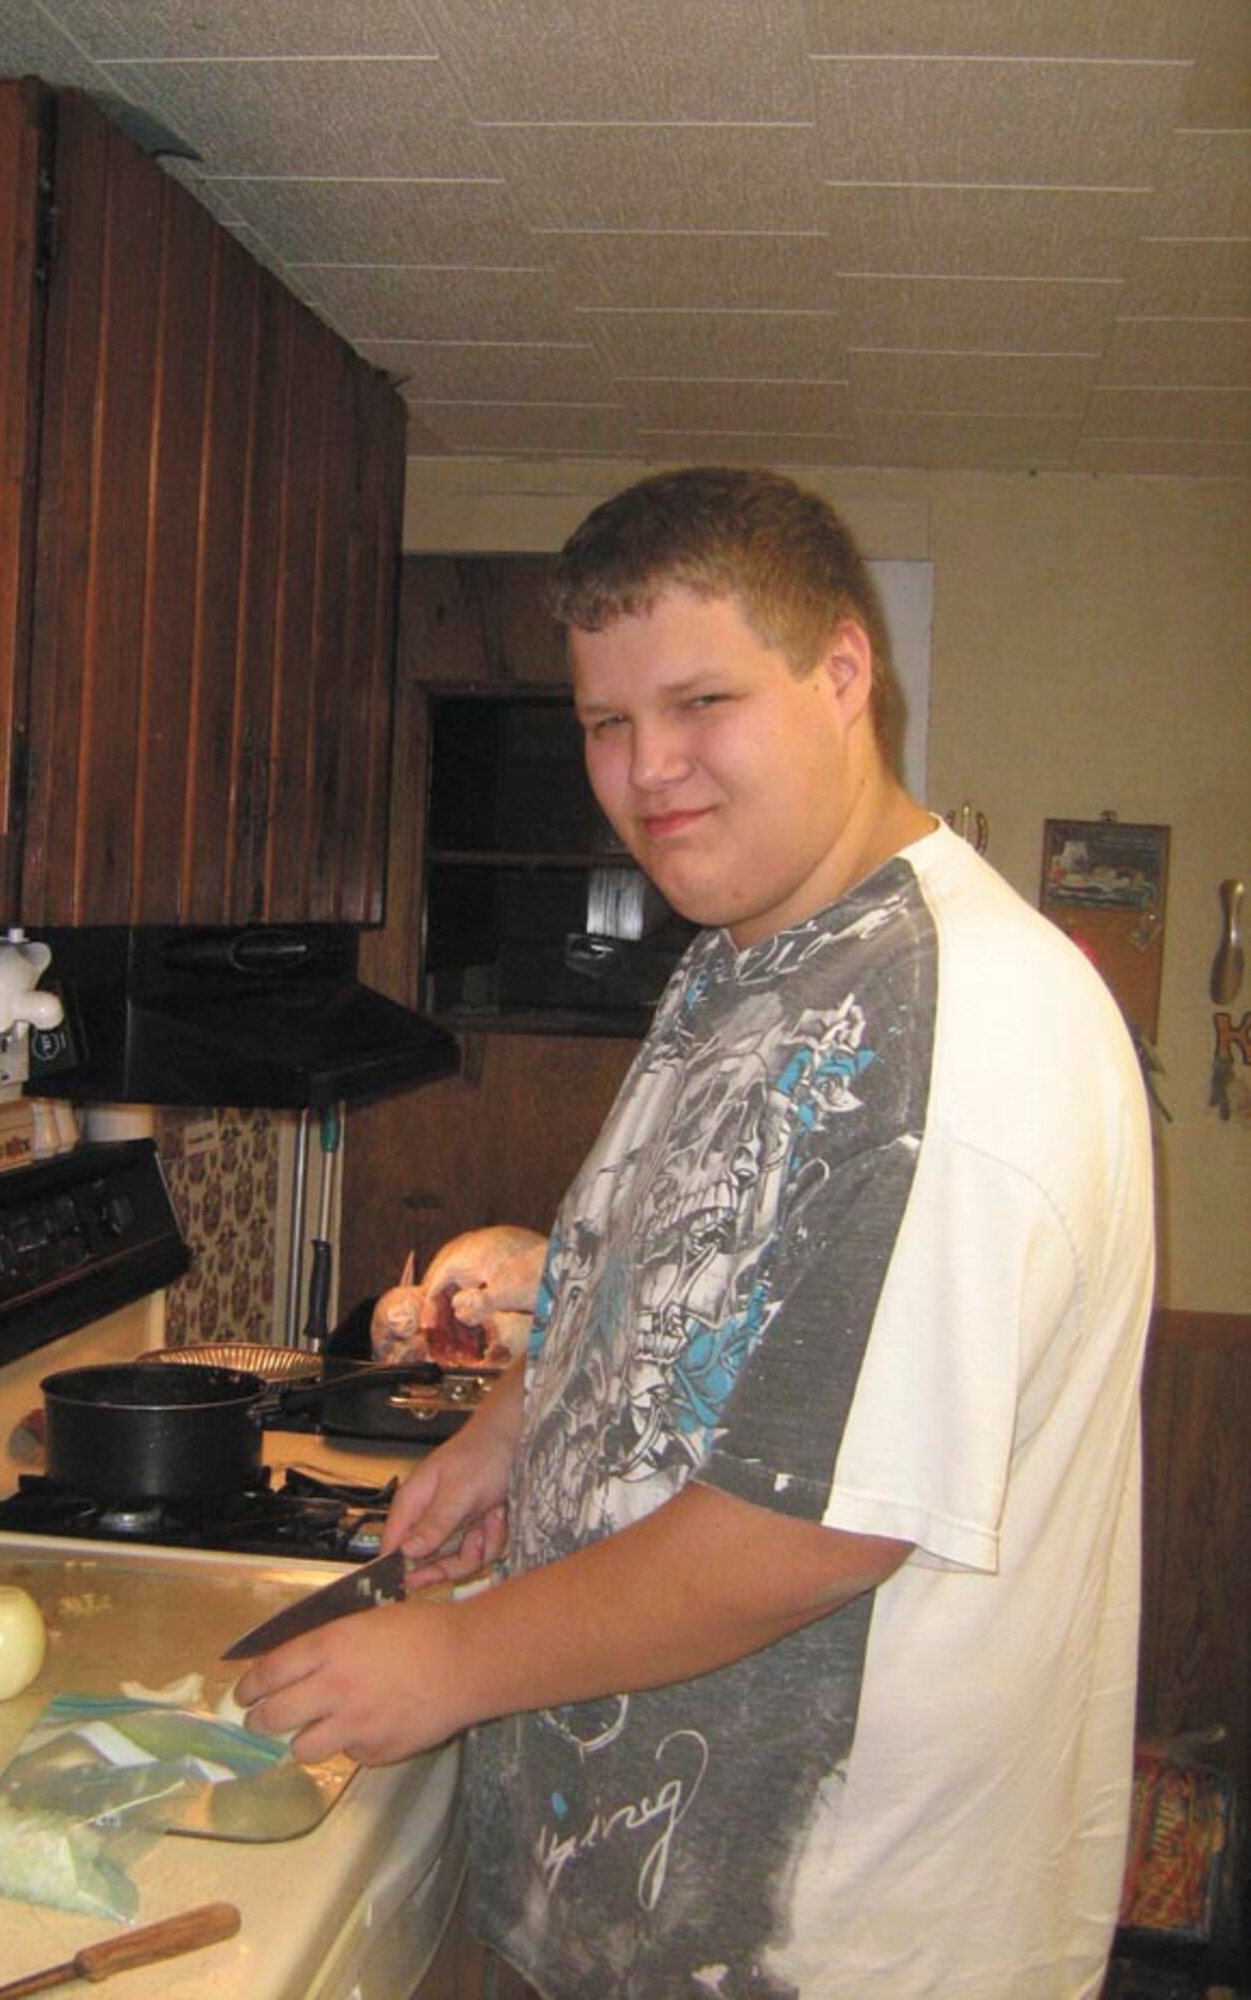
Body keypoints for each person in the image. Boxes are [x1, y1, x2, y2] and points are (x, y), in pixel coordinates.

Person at [233, 466, 1155, 1999]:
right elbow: (645, 1270)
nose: (648, 770)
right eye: (606, 721)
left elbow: (815, 1526)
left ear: (845, 672)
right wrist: (514, 1439)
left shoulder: (963, 1029)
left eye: (703, 701)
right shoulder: (750, 955)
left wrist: (458, 1658)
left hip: (831, 1954)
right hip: (628, 1922)